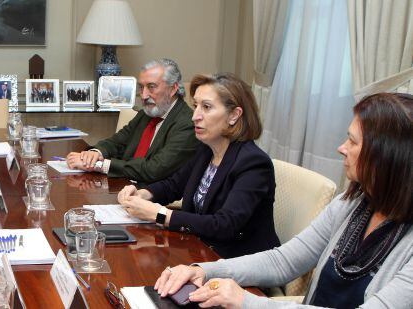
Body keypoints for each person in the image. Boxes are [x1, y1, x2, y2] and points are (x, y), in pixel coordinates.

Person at [153, 93, 413, 308]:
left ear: (389, 159)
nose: (341, 148)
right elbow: (284, 261)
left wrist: (246, 301)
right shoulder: (351, 205)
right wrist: (204, 270)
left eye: (353, 142)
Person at [118, 73, 280, 258]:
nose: (195, 116)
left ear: (234, 115)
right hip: (200, 251)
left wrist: (160, 214)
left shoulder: (253, 163)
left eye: (206, 107)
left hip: (239, 264)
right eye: (195, 106)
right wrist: (142, 194)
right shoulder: (207, 149)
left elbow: (225, 224)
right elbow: (174, 185)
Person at [65, 59, 199, 183]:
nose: (144, 95)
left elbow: (154, 169)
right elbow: (116, 142)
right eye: (141, 87)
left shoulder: (188, 123)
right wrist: (94, 154)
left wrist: (99, 165)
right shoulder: (145, 114)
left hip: (150, 196)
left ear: (173, 88)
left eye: (151, 87)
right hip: (122, 184)